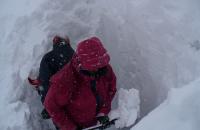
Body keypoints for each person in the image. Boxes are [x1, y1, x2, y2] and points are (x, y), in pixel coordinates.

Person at [44, 37, 117, 130]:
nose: (97, 70)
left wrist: (103, 111)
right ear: (82, 65)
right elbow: (51, 106)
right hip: (76, 125)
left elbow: (111, 89)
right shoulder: (65, 80)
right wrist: (71, 128)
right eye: (93, 68)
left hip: (95, 123)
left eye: (99, 66)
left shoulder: (104, 69)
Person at [28, 35, 75, 119]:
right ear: (68, 43)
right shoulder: (76, 55)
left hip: (58, 102)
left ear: (54, 44)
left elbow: (44, 83)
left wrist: (48, 106)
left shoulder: (48, 58)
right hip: (79, 101)